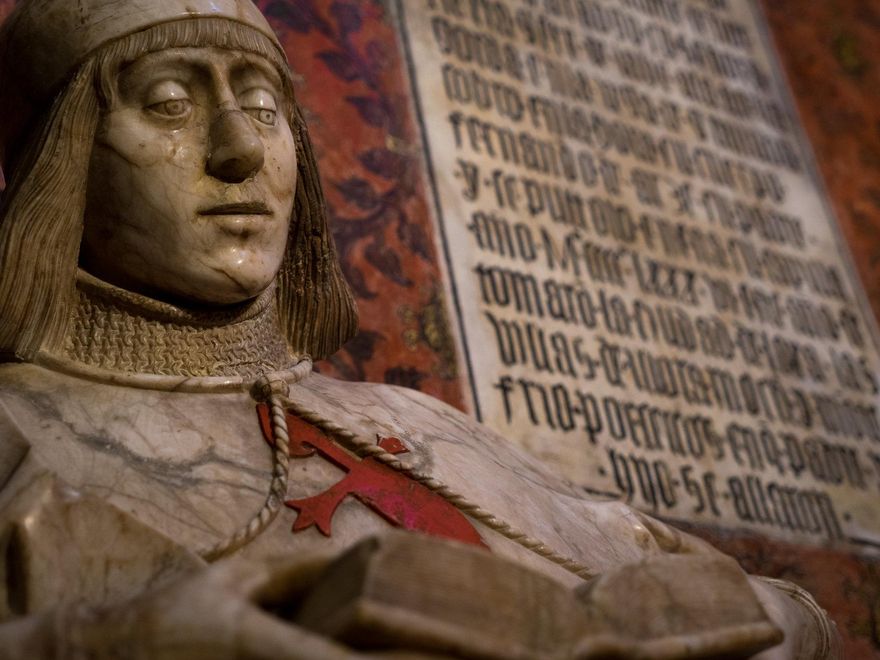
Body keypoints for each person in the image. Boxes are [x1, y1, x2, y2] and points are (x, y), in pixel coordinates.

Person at [0, 0, 839, 657]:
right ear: (60, 159)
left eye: (262, 107)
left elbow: (780, 611)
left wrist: (774, 625)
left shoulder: (418, 422)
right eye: (169, 103)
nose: (240, 151)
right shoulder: (16, 435)